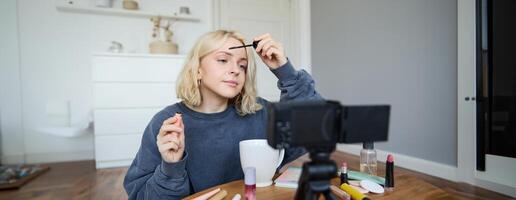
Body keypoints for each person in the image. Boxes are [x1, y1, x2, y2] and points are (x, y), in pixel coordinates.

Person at [123, 30, 322, 199]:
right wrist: (171, 167)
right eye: (223, 60)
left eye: (242, 65)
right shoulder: (166, 124)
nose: (235, 70)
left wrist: (285, 71)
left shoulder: (259, 113)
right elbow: (140, 194)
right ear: (198, 69)